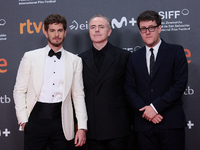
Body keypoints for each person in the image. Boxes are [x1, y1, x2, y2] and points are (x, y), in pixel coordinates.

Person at [13, 14, 88, 150]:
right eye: (52, 30)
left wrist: (82, 127)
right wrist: (24, 121)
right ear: (45, 32)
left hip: (62, 122)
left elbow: (78, 95)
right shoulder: (30, 57)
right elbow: (19, 90)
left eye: (60, 30)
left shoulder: (75, 61)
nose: (56, 34)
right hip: (35, 120)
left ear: (65, 32)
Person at [124, 10, 188, 150]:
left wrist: (154, 108)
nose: (147, 32)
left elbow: (179, 84)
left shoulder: (176, 51)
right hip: (144, 126)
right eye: (143, 29)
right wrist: (146, 112)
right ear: (140, 31)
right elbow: (129, 89)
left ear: (159, 28)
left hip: (171, 123)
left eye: (151, 28)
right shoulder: (134, 57)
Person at [79, 14, 131, 150]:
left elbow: (130, 90)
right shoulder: (79, 59)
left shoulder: (124, 56)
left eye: (101, 27)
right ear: (89, 31)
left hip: (117, 127)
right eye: (93, 27)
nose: (97, 30)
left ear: (109, 31)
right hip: (91, 129)